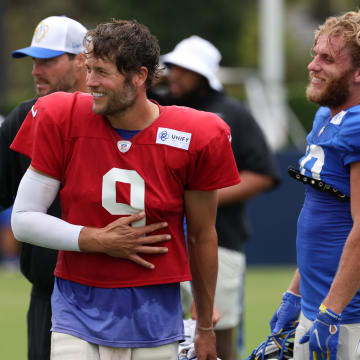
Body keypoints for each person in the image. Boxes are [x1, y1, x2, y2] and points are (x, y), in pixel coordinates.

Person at [10, 19, 240, 360]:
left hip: (155, 311)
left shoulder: (195, 134)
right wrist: (94, 239)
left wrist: (204, 324)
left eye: (101, 72)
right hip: (77, 305)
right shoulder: (62, 115)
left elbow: (202, 236)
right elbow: (23, 219)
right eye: (88, 69)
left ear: (139, 76)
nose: (90, 83)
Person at [153, 35, 279, 360]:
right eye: (172, 67)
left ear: (203, 75)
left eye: (183, 69)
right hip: (164, 244)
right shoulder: (162, 108)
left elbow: (264, 173)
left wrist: (202, 198)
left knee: (217, 341)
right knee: (161, 340)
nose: (173, 74)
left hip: (220, 243)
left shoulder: (233, 114)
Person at [269, 10, 360, 360]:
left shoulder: (356, 126)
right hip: (320, 306)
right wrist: (296, 293)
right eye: (314, 55)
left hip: (345, 315)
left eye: (327, 58)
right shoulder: (326, 116)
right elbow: (321, 219)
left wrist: (333, 311)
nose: (313, 66)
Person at [0, 15, 88, 360]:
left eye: (48, 60)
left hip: (118, 290)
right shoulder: (25, 117)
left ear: (82, 59)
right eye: (34, 61)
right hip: (48, 293)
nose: (37, 70)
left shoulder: (117, 114)